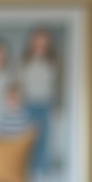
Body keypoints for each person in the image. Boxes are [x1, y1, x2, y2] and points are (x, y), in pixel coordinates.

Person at [21, 29, 61, 174]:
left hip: (46, 104)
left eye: (44, 43)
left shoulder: (53, 62)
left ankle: (43, 169)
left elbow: (57, 86)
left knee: (45, 138)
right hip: (28, 104)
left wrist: (57, 105)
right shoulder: (24, 62)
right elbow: (19, 84)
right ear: (33, 42)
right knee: (29, 137)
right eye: (38, 42)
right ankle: (28, 168)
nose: (41, 46)